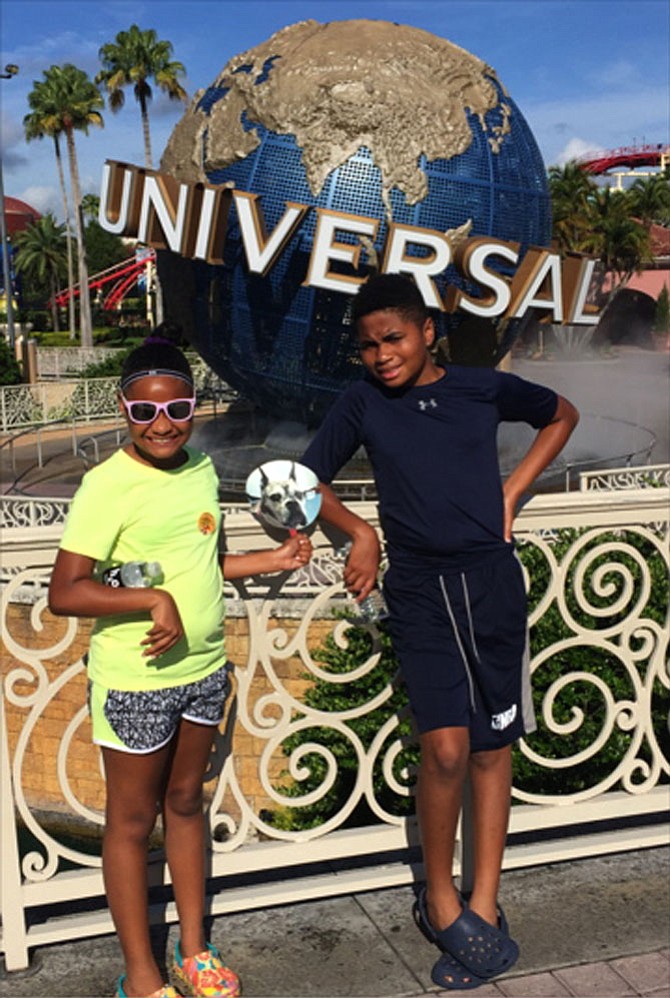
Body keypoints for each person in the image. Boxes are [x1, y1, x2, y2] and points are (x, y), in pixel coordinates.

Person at [301, 274, 579, 990]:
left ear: (428, 332)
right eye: (367, 345)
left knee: (493, 746)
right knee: (447, 747)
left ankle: (484, 901)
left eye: (392, 338)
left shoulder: (481, 387)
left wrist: (512, 490)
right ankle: (440, 896)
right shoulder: (361, 402)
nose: (380, 355)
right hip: (420, 588)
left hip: (490, 582)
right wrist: (357, 530)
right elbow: (298, 481)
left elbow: (562, 414)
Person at [48, 339, 311, 998]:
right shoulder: (105, 485)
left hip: (202, 671)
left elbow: (204, 564)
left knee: (187, 804)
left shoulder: (199, 469)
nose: (161, 424)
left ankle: (195, 951)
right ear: (124, 409)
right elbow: (66, 590)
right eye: (144, 410)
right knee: (132, 824)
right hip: (136, 680)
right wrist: (150, 599)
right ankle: (140, 975)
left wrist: (269, 562)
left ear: (194, 407)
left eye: (177, 409)